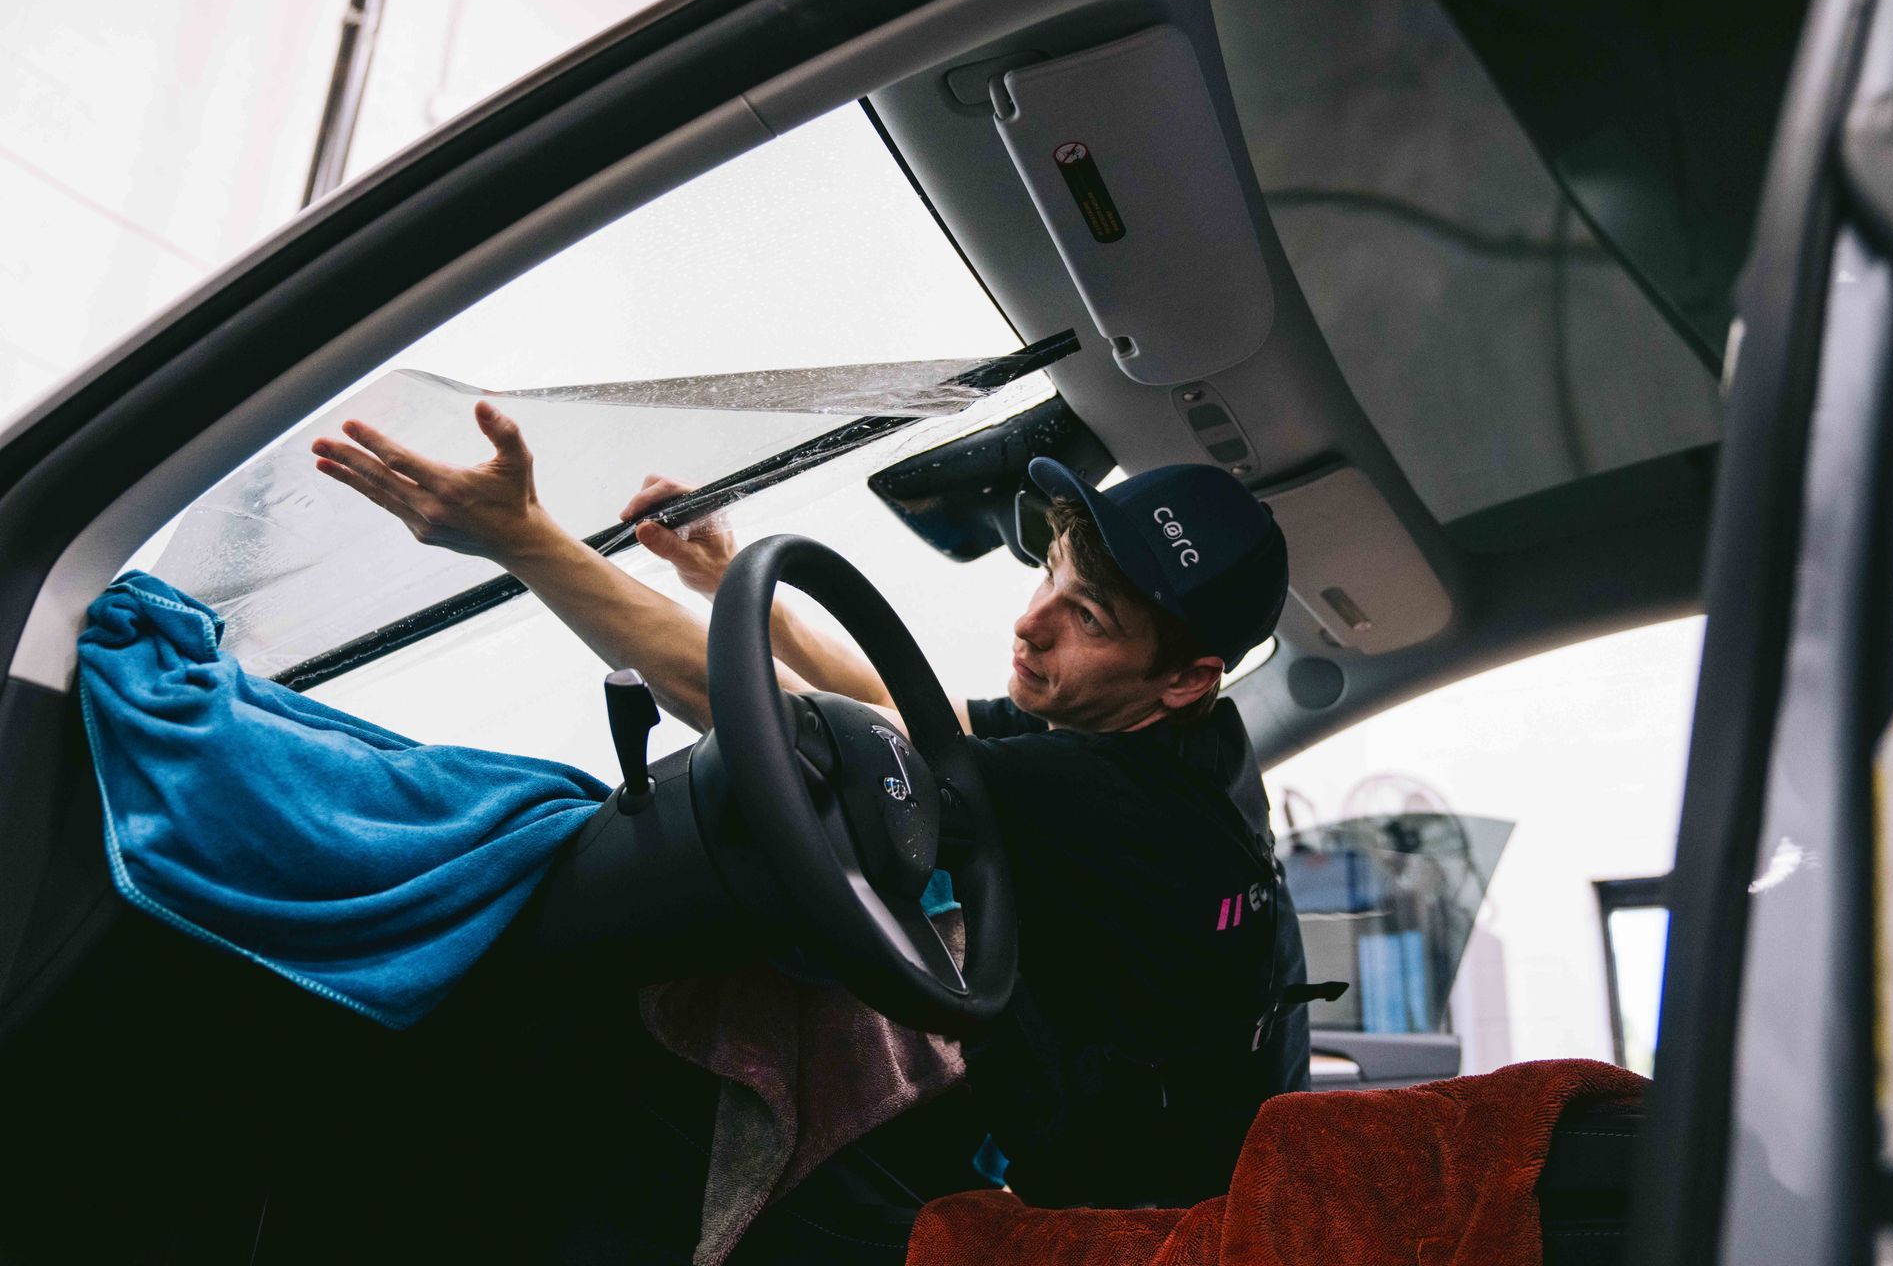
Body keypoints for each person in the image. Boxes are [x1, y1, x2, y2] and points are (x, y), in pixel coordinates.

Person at [309, 399, 1309, 1214]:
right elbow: (911, 714)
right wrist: (719, 577)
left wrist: (522, 540)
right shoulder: (1186, 737)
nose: (1030, 621)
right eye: (1048, 571)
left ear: (1187, 676)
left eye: (1084, 616)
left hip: (1120, 1209)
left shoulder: (1122, 803)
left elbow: (779, 726)